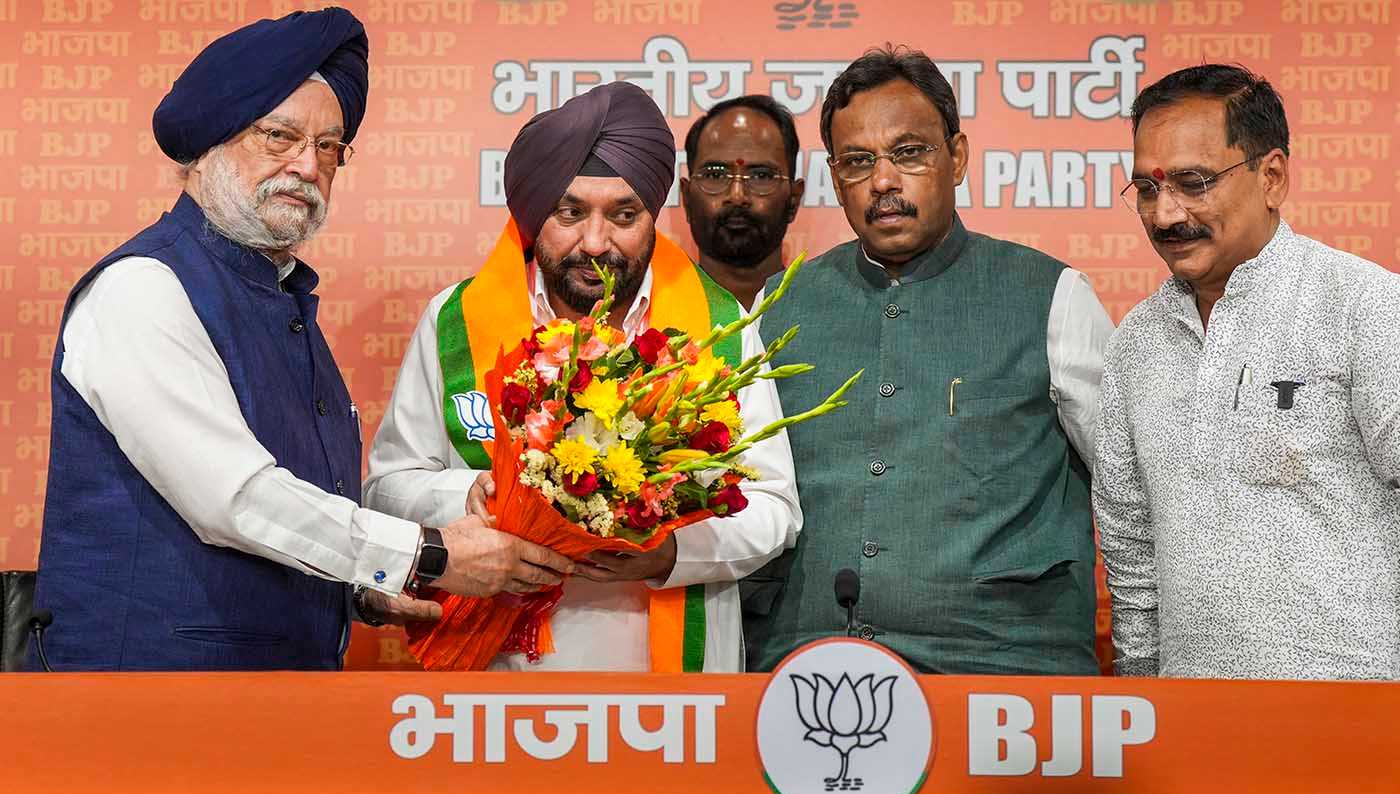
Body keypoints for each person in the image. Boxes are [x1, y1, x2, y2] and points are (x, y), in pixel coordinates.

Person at [30, 9, 572, 671]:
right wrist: (426, 556)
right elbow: (235, 500)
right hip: (146, 706)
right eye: (278, 136)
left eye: (328, 147)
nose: (306, 166)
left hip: (273, 707)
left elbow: (290, 520)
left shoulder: (281, 298)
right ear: (207, 145)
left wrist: (361, 591)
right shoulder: (143, 288)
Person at [364, 82, 801, 672]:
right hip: (493, 688)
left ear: (653, 217)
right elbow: (387, 489)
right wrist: (464, 496)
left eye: (624, 215)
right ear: (532, 212)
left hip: (673, 702)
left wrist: (670, 553)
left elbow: (774, 507)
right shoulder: (456, 321)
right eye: (569, 213)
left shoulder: (718, 327)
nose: (595, 243)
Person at [1094, 64, 1400, 681]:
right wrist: (1147, 699)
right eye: (1147, 189)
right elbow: (1131, 546)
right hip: (1189, 731)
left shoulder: (1369, 307)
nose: (1165, 214)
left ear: (1272, 176)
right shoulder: (1137, 343)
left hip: (1355, 719)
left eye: (1193, 182)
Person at [743, 46, 1115, 675]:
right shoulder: (779, 310)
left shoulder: (1052, 296)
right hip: (808, 674)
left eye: (909, 152)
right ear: (835, 179)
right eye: (858, 162)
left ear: (958, 157)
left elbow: (1134, 486)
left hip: (1005, 674)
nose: (883, 181)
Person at [681, 95, 805, 311]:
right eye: (716, 175)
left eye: (761, 176)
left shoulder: (830, 315)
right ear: (686, 198)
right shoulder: (650, 320)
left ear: (793, 200)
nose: (737, 196)